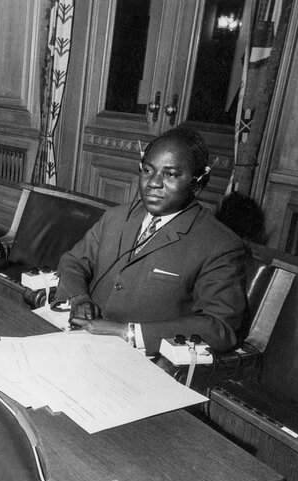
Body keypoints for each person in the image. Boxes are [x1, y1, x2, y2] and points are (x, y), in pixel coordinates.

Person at [55, 128, 246, 355]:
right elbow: (73, 262)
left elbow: (220, 328)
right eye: (147, 170)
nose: (153, 183)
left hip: (145, 362)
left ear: (199, 183)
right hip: (78, 343)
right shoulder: (115, 217)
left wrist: (126, 332)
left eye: (170, 174)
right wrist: (79, 299)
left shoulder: (220, 245)